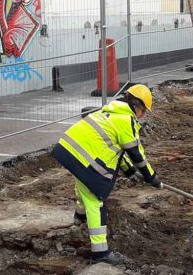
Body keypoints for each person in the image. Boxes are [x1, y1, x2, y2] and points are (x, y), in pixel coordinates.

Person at [51, 84, 161, 264]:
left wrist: (129, 171)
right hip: (80, 157)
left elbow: (118, 150)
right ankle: (100, 252)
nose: (143, 115)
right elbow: (136, 154)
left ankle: (79, 218)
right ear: (136, 105)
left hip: (69, 150)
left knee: (84, 185)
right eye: (144, 111)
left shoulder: (110, 113)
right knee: (95, 200)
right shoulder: (126, 120)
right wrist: (151, 177)